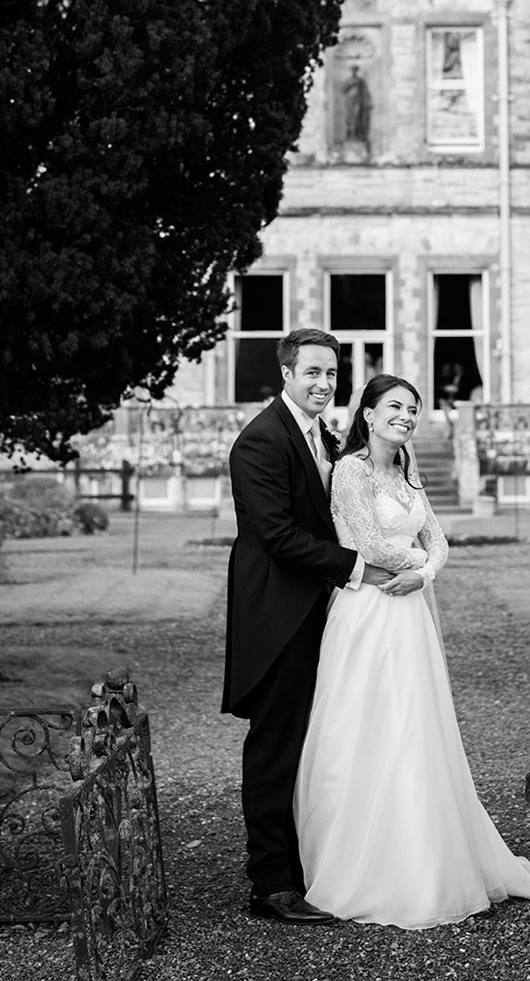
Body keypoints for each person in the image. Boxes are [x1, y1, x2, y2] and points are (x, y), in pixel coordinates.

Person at [294, 374, 530, 929]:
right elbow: (366, 543)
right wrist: (416, 563)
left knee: (416, 725)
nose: (406, 416)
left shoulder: (407, 469)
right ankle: (363, 862)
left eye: (412, 408)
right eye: (395, 406)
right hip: (367, 612)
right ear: (368, 414)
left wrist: (425, 573)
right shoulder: (352, 471)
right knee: (365, 725)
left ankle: (425, 852)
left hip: (409, 611)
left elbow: (439, 539)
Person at [221, 327, 395, 925]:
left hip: (322, 612)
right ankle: (271, 884)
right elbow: (277, 535)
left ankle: (317, 864)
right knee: (276, 744)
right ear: (287, 374)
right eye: (313, 372)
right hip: (278, 616)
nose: (324, 383)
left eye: (332, 373)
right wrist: (360, 568)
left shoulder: (324, 435)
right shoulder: (260, 441)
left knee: (321, 740)